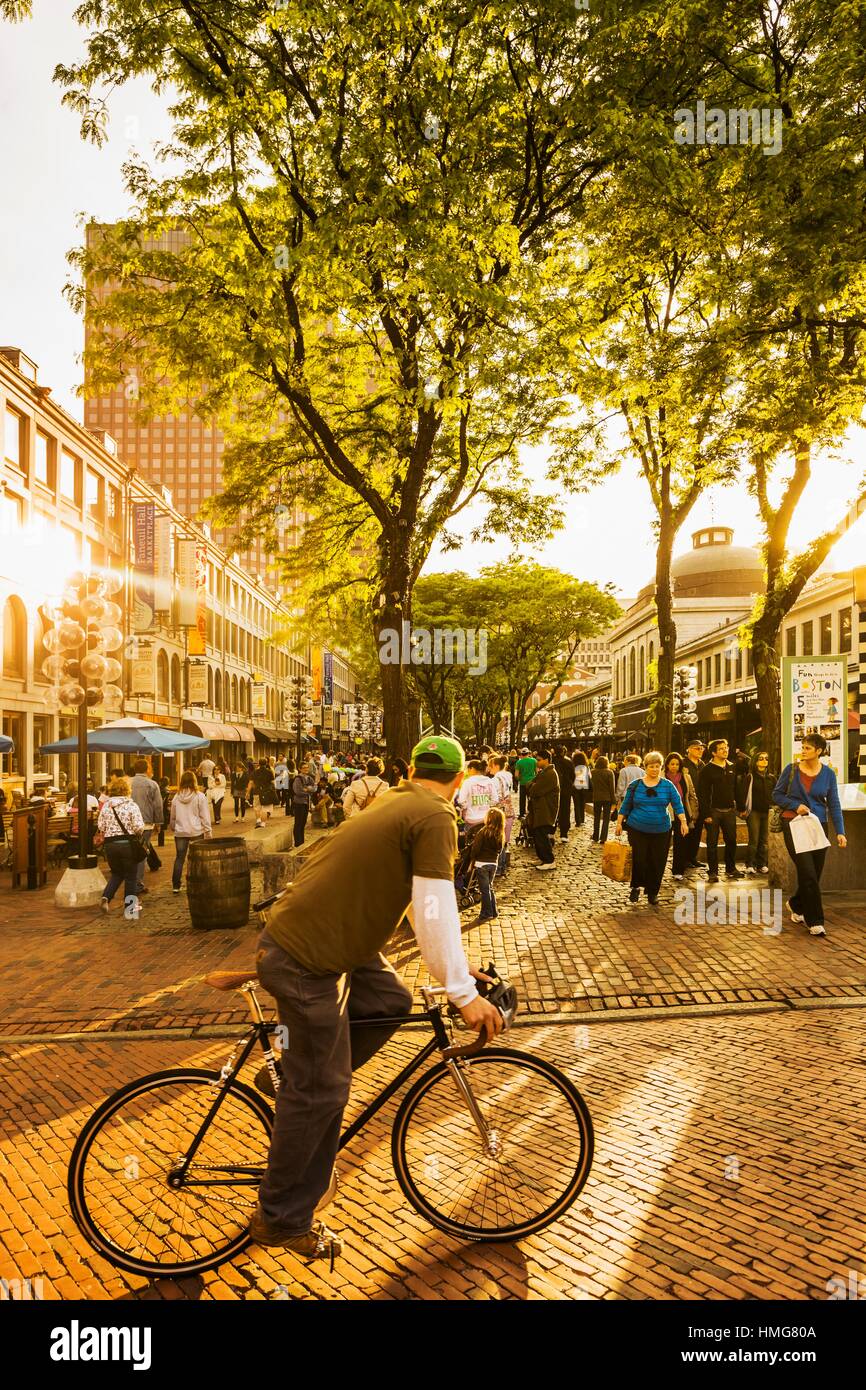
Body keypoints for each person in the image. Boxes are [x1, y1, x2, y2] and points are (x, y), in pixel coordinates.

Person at [250, 733, 502, 1260]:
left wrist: (458, 966)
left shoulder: (395, 798)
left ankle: (291, 1070)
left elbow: (418, 902)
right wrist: (460, 992)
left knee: (391, 998)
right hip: (308, 957)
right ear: (458, 781)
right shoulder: (436, 815)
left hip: (328, 941)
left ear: (412, 768)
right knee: (324, 1090)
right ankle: (281, 1217)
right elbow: (434, 906)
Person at [773, 734, 846, 937]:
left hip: (818, 825)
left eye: (807, 748)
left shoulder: (828, 774)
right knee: (808, 872)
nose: (803, 751)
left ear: (819, 751)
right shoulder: (791, 770)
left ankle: (796, 905)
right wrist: (796, 806)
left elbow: (834, 804)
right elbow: (776, 795)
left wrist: (840, 831)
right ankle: (815, 921)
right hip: (793, 824)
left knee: (814, 873)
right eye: (802, 747)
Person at [615, 751, 688, 906]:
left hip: (661, 830)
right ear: (645, 767)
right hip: (637, 828)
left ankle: (653, 891)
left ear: (661, 768)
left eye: (657, 766)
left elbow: (677, 804)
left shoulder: (667, 786)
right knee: (639, 859)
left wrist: (683, 821)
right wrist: (619, 823)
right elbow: (626, 805)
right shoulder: (635, 785)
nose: (654, 769)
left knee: (657, 861)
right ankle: (635, 886)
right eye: (651, 766)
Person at [97, 775, 146, 920]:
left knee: (117, 873)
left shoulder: (106, 806)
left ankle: (106, 897)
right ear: (127, 790)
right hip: (127, 844)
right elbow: (138, 827)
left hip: (110, 845)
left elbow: (101, 826)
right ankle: (130, 909)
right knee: (131, 876)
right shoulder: (131, 805)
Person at [698, 739, 742, 883]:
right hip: (713, 811)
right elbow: (702, 793)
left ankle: (730, 868)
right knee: (712, 843)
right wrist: (706, 814)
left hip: (729, 811)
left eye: (726, 747)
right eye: (721, 748)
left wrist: (740, 808)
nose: (725, 750)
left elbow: (736, 788)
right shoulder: (707, 770)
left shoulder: (731, 767)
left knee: (732, 841)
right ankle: (713, 872)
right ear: (714, 752)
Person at [169, 771, 212, 892]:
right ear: (194, 781)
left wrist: (173, 827)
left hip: (180, 832)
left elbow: (172, 815)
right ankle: (199, 882)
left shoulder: (176, 797)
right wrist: (208, 831)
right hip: (196, 831)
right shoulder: (199, 796)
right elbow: (204, 815)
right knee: (199, 858)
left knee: (179, 858)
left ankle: (176, 885)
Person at [130, 757, 164, 897]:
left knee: (131, 853)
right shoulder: (152, 784)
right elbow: (157, 805)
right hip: (146, 823)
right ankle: (137, 884)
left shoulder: (127, 783)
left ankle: (130, 882)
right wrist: (159, 823)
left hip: (129, 823)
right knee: (141, 854)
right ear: (147, 769)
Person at [737, 751, 774, 875]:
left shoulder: (771, 778)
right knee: (754, 839)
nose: (764, 761)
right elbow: (742, 794)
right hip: (754, 812)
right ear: (755, 761)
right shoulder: (750, 777)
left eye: (766, 759)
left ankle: (762, 864)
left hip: (767, 811)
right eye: (761, 758)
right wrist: (742, 809)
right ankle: (750, 864)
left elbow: (776, 794)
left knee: (764, 840)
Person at [468, 807, 506, 925]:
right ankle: (494, 911)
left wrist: (472, 859)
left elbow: (476, 848)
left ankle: (486, 913)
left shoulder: (483, 832)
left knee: (484, 890)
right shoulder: (500, 834)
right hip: (493, 863)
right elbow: (500, 850)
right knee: (489, 888)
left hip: (482, 864)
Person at [663, 752, 698, 881]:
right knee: (664, 843)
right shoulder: (662, 776)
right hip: (666, 813)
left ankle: (678, 870)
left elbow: (691, 795)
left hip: (682, 812)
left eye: (677, 764)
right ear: (667, 764)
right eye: (672, 764)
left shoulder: (685, 777)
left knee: (681, 843)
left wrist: (693, 812)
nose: (674, 766)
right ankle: (658, 869)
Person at [526, 748, 559, 870]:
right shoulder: (543, 772)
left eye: (539, 760)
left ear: (546, 760)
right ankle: (543, 858)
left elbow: (534, 790)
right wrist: (531, 785)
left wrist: (532, 786)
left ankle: (549, 860)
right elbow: (530, 784)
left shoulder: (550, 774)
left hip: (545, 810)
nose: (537, 762)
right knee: (537, 834)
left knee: (542, 835)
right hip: (540, 809)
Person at [681, 739, 707, 869]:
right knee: (687, 831)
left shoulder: (703, 765)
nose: (700, 751)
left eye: (702, 748)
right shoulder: (683, 764)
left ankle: (693, 857)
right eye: (697, 748)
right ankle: (684, 858)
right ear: (689, 749)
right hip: (687, 802)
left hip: (700, 802)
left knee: (697, 831)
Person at [454, 759, 494, 840]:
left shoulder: (467, 782)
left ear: (471, 769)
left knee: (470, 842)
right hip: (486, 818)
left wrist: (466, 807)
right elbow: (495, 800)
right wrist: (485, 804)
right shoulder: (489, 781)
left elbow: (462, 801)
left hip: (471, 820)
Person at [489, 754, 515, 871]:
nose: (489, 769)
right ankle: (503, 865)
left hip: (500, 811)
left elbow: (496, 797)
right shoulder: (508, 775)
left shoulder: (495, 779)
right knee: (505, 840)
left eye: (490, 766)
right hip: (509, 810)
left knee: (497, 838)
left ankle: (498, 867)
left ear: (495, 765)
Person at [589, 754, 616, 844]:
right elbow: (612, 788)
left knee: (596, 818)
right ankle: (603, 837)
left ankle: (595, 836)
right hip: (607, 798)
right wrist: (614, 801)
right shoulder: (609, 772)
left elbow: (590, 785)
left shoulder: (593, 772)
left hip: (596, 797)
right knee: (606, 818)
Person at [291, 761, 318, 846]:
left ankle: (301, 842)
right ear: (299, 769)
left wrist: (308, 789)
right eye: (304, 768)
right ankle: (297, 843)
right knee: (298, 823)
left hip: (306, 803)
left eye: (307, 768)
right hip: (299, 803)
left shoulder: (309, 778)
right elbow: (298, 791)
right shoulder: (298, 779)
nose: (306, 769)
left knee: (303, 823)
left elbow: (315, 788)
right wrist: (309, 792)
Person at [514, 747, 537, 818]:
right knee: (532, 799)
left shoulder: (519, 762)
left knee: (522, 799)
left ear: (521, 754)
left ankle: (522, 814)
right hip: (531, 783)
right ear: (528, 753)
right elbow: (537, 772)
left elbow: (516, 775)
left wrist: (520, 779)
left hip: (523, 783)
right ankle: (532, 812)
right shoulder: (534, 761)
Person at [253, 759, 276, 828]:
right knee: (265, 809)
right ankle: (263, 824)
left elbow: (251, 782)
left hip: (257, 791)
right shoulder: (269, 772)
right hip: (266, 792)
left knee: (257, 807)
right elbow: (272, 782)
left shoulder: (255, 772)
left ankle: (258, 820)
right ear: (266, 763)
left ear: (259, 764)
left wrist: (248, 792)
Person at [570, 752, 590, 831]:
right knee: (582, 803)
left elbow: (572, 776)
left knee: (576, 804)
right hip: (583, 786)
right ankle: (582, 819)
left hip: (575, 786)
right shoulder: (585, 767)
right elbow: (589, 776)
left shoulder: (573, 766)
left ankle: (578, 821)